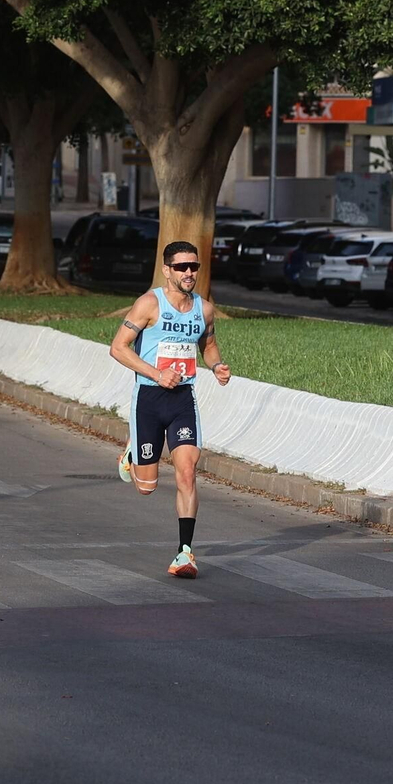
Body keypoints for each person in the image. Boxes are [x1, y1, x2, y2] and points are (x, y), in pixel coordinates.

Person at [108, 241, 233, 579]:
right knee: (146, 488)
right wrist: (156, 374)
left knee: (188, 472)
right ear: (167, 270)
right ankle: (133, 455)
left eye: (193, 266)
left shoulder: (203, 309)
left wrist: (217, 365)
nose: (189, 273)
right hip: (148, 399)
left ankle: (184, 553)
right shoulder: (149, 304)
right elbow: (118, 348)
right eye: (181, 267)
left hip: (182, 400)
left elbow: (207, 344)